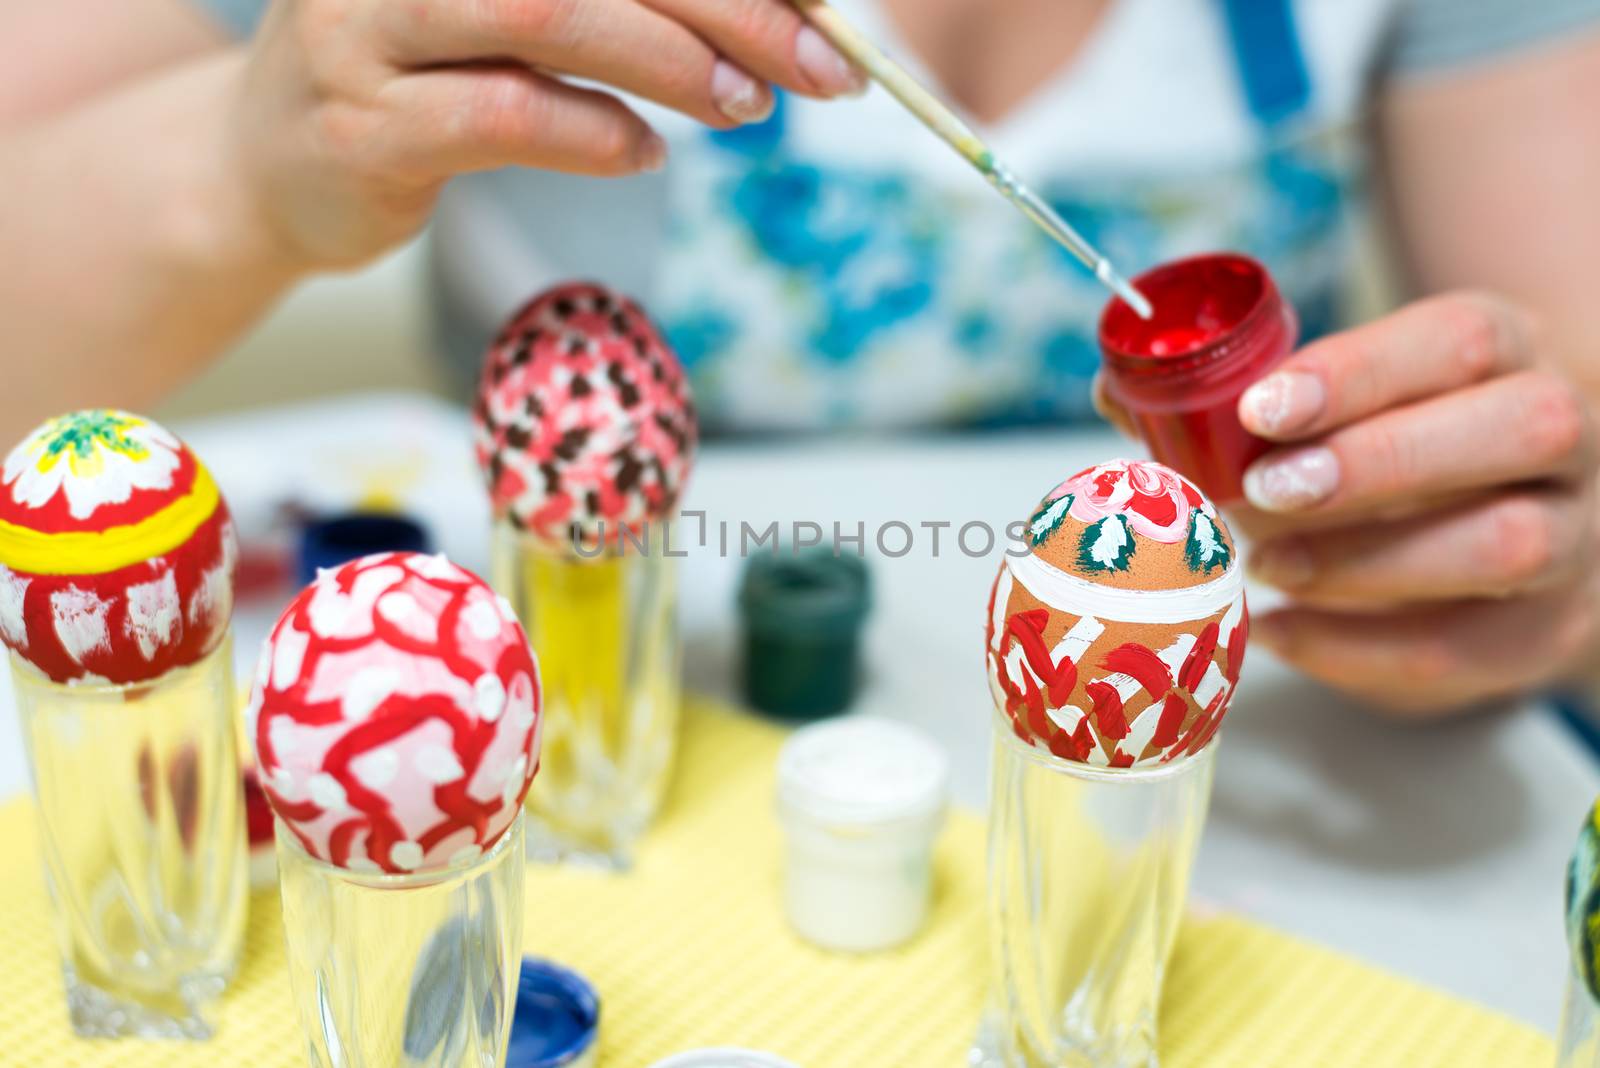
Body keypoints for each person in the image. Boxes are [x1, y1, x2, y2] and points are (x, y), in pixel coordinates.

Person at [2, 0, 1598, 713]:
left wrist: (1521, 543)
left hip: (1222, 744)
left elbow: (1562, 427)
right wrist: (249, 164)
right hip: (612, 699)